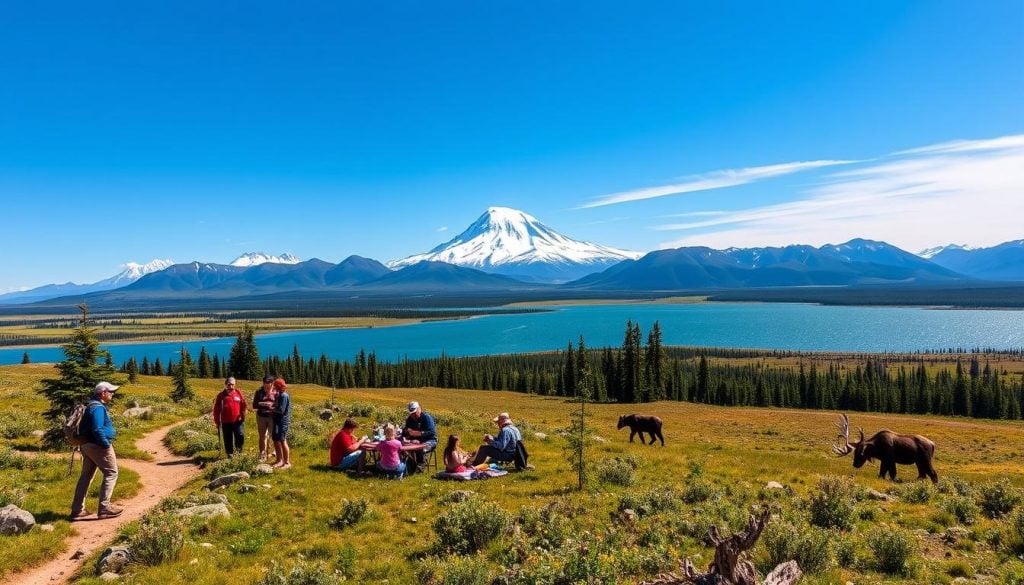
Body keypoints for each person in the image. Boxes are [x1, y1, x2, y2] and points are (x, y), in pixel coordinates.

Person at [70, 381, 123, 520]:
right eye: (111, 392)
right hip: (97, 446)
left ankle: (77, 510)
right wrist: (105, 444)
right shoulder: (98, 408)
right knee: (111, 473)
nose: (112, 394)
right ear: (103, 393)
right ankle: (104, 508)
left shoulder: (91, 405)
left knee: (86, 476)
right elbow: (97, 428)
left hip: (87, 445)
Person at [213, 376, 248, 457]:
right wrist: (217, 421)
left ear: (235, 385)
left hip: (238, 421)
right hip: (226, 422)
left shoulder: (239, 393)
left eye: (232, 385)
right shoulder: (221, 395)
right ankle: (230, 454)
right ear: (226, 385)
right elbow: (216, 409)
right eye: (229, 385)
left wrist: (243, 415)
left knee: (240, 436)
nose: (231, 387)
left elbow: (244, 404)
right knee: (227, 439)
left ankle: (238, 452)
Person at [401, 401, 437, 471]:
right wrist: (405, 431)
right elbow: (406, 431)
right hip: (415, 441)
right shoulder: (409, 419)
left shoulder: (427, 418)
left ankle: (420, 466)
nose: (413, 415)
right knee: (403, 447)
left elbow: (432, 432)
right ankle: (410, 465)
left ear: (419, 409)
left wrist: (417, 433)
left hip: (430, 440)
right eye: (411, 414)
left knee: (420, 448)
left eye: (414, 413)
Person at [252, 375, 277, 462]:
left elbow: (279, 404)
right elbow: (254, 405)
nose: (266, 385)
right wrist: (262, 404)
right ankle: (263, 455)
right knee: (262, 436)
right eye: (265, 383)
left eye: (268, 383)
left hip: (272, 416)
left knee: (273, 435)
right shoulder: (259, 391)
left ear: (272, 383)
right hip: (261, 416)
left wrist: (272, 406)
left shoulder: (276, 391)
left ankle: (273, 452)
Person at [271, 377, 292, 469]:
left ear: (279, 386)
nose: (274, 387)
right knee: (275, 440)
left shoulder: (284, 396)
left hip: (282, 421)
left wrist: (270, 408)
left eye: (275, 386)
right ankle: (279, 460)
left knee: (282, 440)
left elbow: (281, 410)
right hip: (276, 420)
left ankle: (287, 463)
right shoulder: (278, 394)